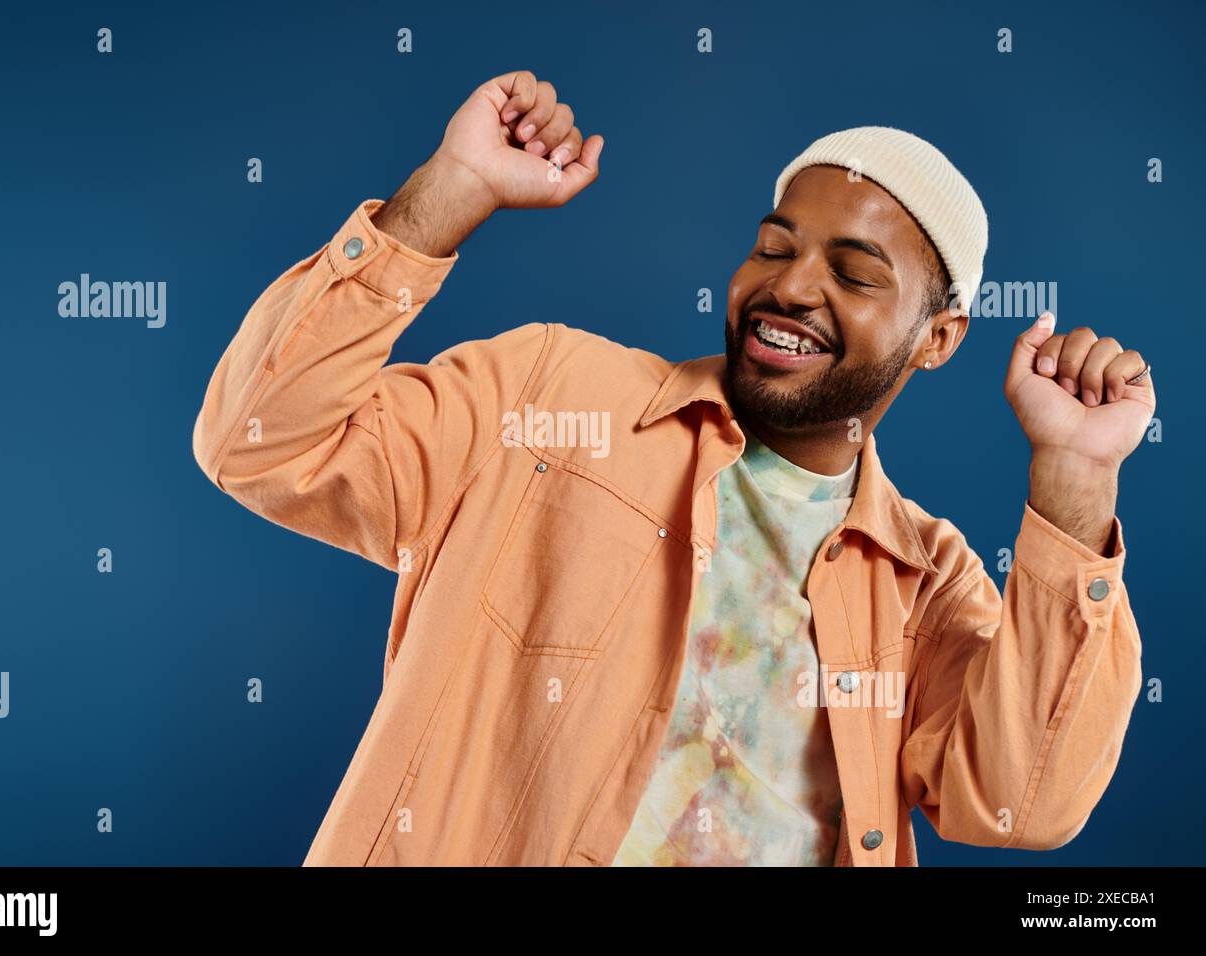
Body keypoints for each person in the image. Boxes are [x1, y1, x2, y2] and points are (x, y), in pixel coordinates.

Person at [192, 70, 1153, 866]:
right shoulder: (548, 394)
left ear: (937, 338)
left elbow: (1021, 805)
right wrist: (452, 188)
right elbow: (261, 441)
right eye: (775, 247)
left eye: (856, 274)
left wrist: (1074, 480)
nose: (792, 286)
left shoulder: (925, 583)